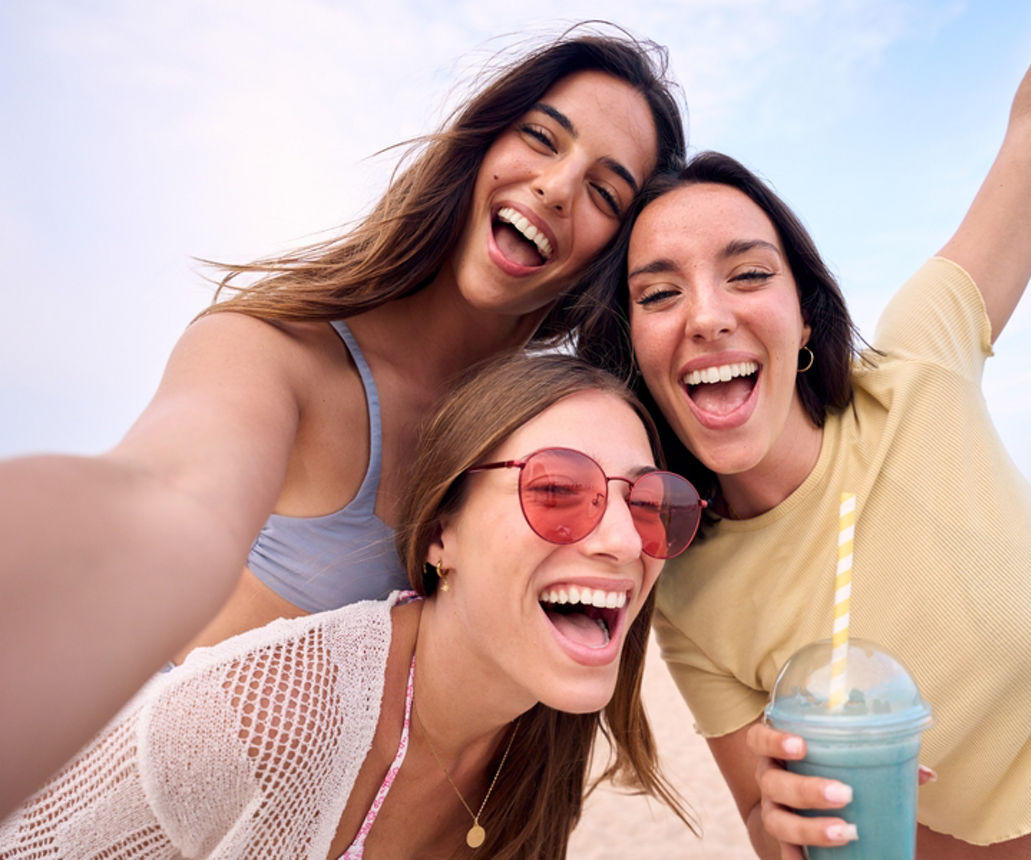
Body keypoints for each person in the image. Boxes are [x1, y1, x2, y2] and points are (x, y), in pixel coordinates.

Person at [577, 2, 1031, 857]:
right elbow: (764, 822)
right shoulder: (687, 594)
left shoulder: (920, 365)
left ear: (803, 313)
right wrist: (786, 818)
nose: (709, 316)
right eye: (659, 293)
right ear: (633, 349)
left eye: (748, 274)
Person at [0, 28, 685, 817]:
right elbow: (162, 502)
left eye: (605, 193)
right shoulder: (273, 355)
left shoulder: (551, 441)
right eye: (540, 137)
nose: (558, 188)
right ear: (481, 143)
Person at [0, 353, 704, 858]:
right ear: (441, 535)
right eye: (555, 490)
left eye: (651, 503)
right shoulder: (259, 720)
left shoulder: (543, 745)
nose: (623, 541)